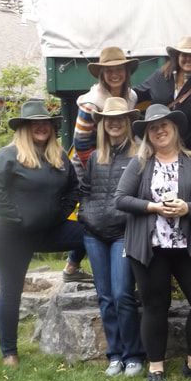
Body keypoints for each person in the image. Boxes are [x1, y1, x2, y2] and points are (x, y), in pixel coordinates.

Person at [115, 104, 191, 381]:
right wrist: (153, 207)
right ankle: (156, 368)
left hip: (187, 245)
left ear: (175, 129)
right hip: (149, 246)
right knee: (155, 305)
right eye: (153, 127)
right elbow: (121, 198)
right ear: (148, 134)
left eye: (164, 125)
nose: (159, 130)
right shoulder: (140, 163)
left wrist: (187, 208)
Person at [0, 100, 84, 367]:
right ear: (25, 128)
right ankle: (9, 352)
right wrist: (18, 219)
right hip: (10, 236)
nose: (41, 127)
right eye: (34, 123)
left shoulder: (59, 157)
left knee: (91, 232)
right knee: (11, 291)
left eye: (45, 123)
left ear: (52, 128)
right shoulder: (8, 155)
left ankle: (76, 268)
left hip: (48, 232)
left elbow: (74, 189)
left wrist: (59, 215)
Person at [78, 97, 145, 377]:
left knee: (122, 294)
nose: (114, 123)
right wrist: (86, 215)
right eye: (109, 119)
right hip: (94, 234)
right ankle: (115, 354)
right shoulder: (95, 156)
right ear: (103, 124)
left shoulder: (139, 156)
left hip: (123, 233)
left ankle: (134, 354)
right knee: (104, 296)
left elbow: (143, 194)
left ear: (128, 122)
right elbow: (85, 188)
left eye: (120, 119)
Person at [65, 46, 141, 283]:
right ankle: (72, 265)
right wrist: (101, 168)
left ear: (127, 72)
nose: (115, 74)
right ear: (102, 74)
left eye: (119, 69)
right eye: (109, 71)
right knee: (94, 213)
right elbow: (81, 142)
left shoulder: (131, 96)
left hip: (119, 158)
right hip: (90, 161)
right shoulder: (91, 103)